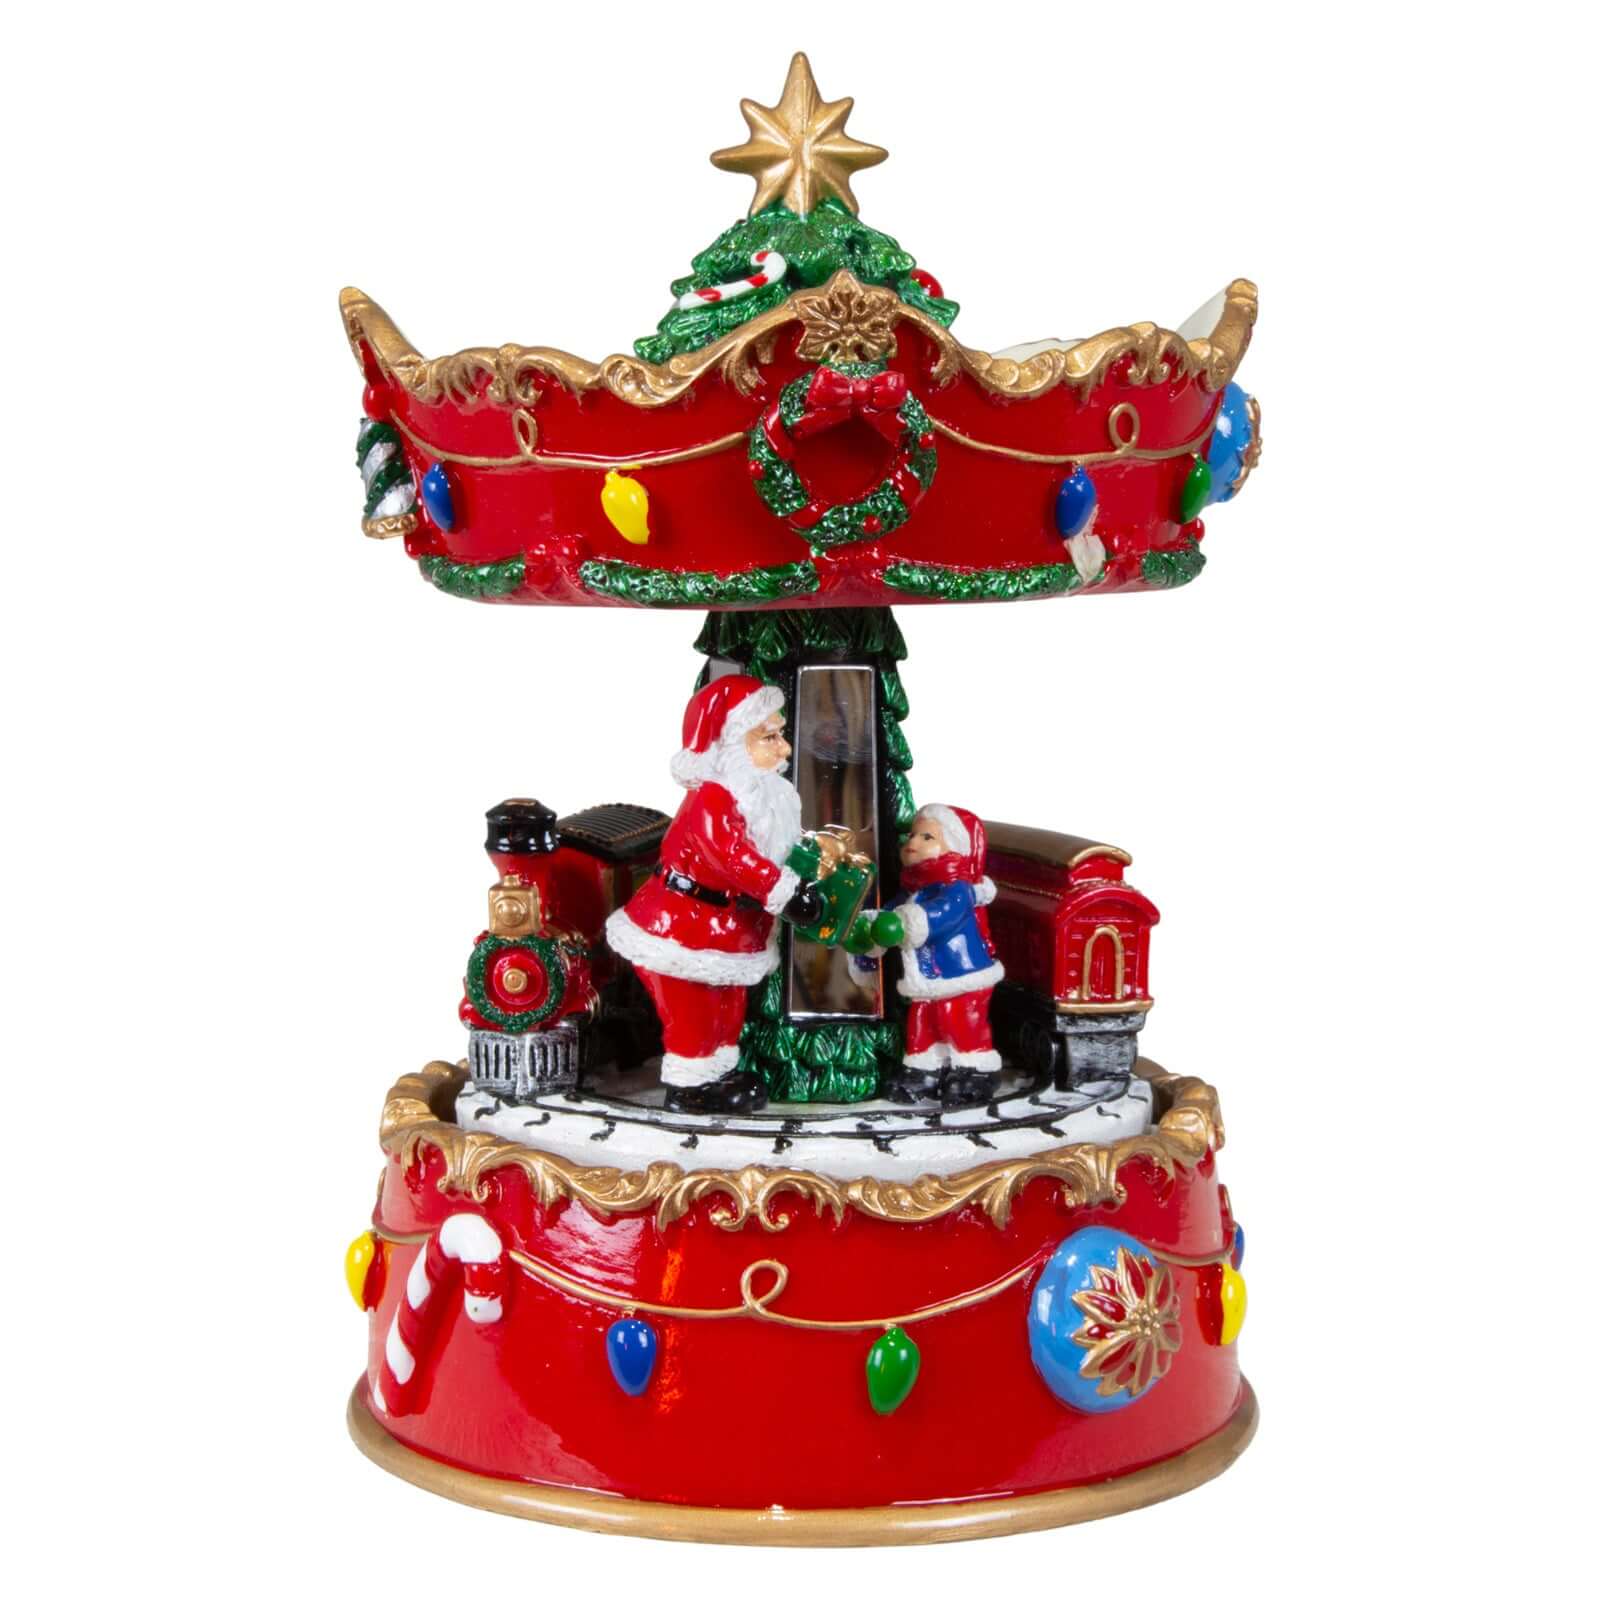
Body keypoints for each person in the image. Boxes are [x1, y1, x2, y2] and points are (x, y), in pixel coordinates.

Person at [605, 675, 823, 1113]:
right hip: (682, 927)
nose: (784, 749)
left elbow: (777, 849)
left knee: (727, 1006)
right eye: (769, 738)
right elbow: (733, 857)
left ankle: (719, 1073)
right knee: (695, 1010)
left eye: (781, 735)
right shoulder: (713, 799)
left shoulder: (764, 797)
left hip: (728, 929)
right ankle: (690, 1087)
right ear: (730, 746)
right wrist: (785, 893)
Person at [855, 803, 1004, 1108]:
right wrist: (873, 925)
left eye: (927, 837)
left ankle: (974, 1070)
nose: (913, 842)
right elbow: (893, 910)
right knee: (921, 1023)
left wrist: (903, 923)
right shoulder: (914, 888)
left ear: (955, 848)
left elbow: (940, 915)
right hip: (927, 980)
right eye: (912, 835)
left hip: (961, 976)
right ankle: (923, 1070)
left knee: (959, 1023)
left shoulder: (958, 890)